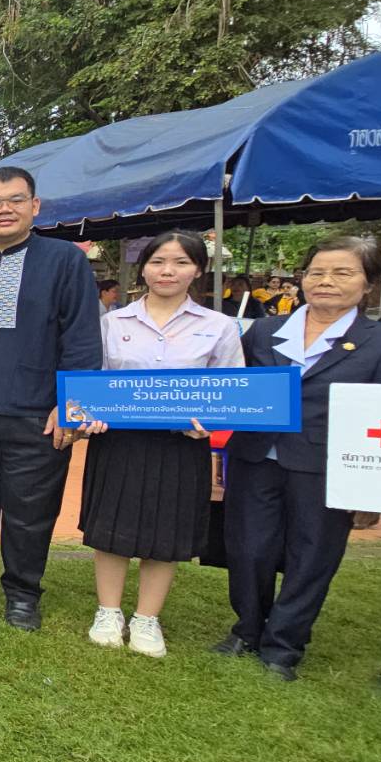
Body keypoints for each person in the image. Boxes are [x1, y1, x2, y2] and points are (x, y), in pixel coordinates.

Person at [217, 236, 381, 681]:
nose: (326, 281)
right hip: (255, 456)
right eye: (317, 272)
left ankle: (284, 645)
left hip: (328, 467)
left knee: (312, 555)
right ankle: (247, 629)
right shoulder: (264, 331)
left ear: (368, 283)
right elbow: (236, 390)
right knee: (248, 547)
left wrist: (371, 493)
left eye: (343, 273)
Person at [0, 167, 103, 630]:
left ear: (35, 206)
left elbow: (82, 338)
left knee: (31, 511)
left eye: (15, 200)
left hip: (38, 413)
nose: (4, 210)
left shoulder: (65, 261)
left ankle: (23, 594)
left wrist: (71, 406)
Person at [73, 232, 243, 657]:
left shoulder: (219, 327)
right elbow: (91, 381)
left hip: (181, 447)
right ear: (144, 268)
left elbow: (230, 389)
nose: (168, 271)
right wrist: (88, 413)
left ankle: (147, 618)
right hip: (118, 443)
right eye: (158, 262)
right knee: (110, 529)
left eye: (181, 262)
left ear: (198, 270)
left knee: (167, 532)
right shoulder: (112, 323)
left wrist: (210, 423)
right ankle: (108, 611)